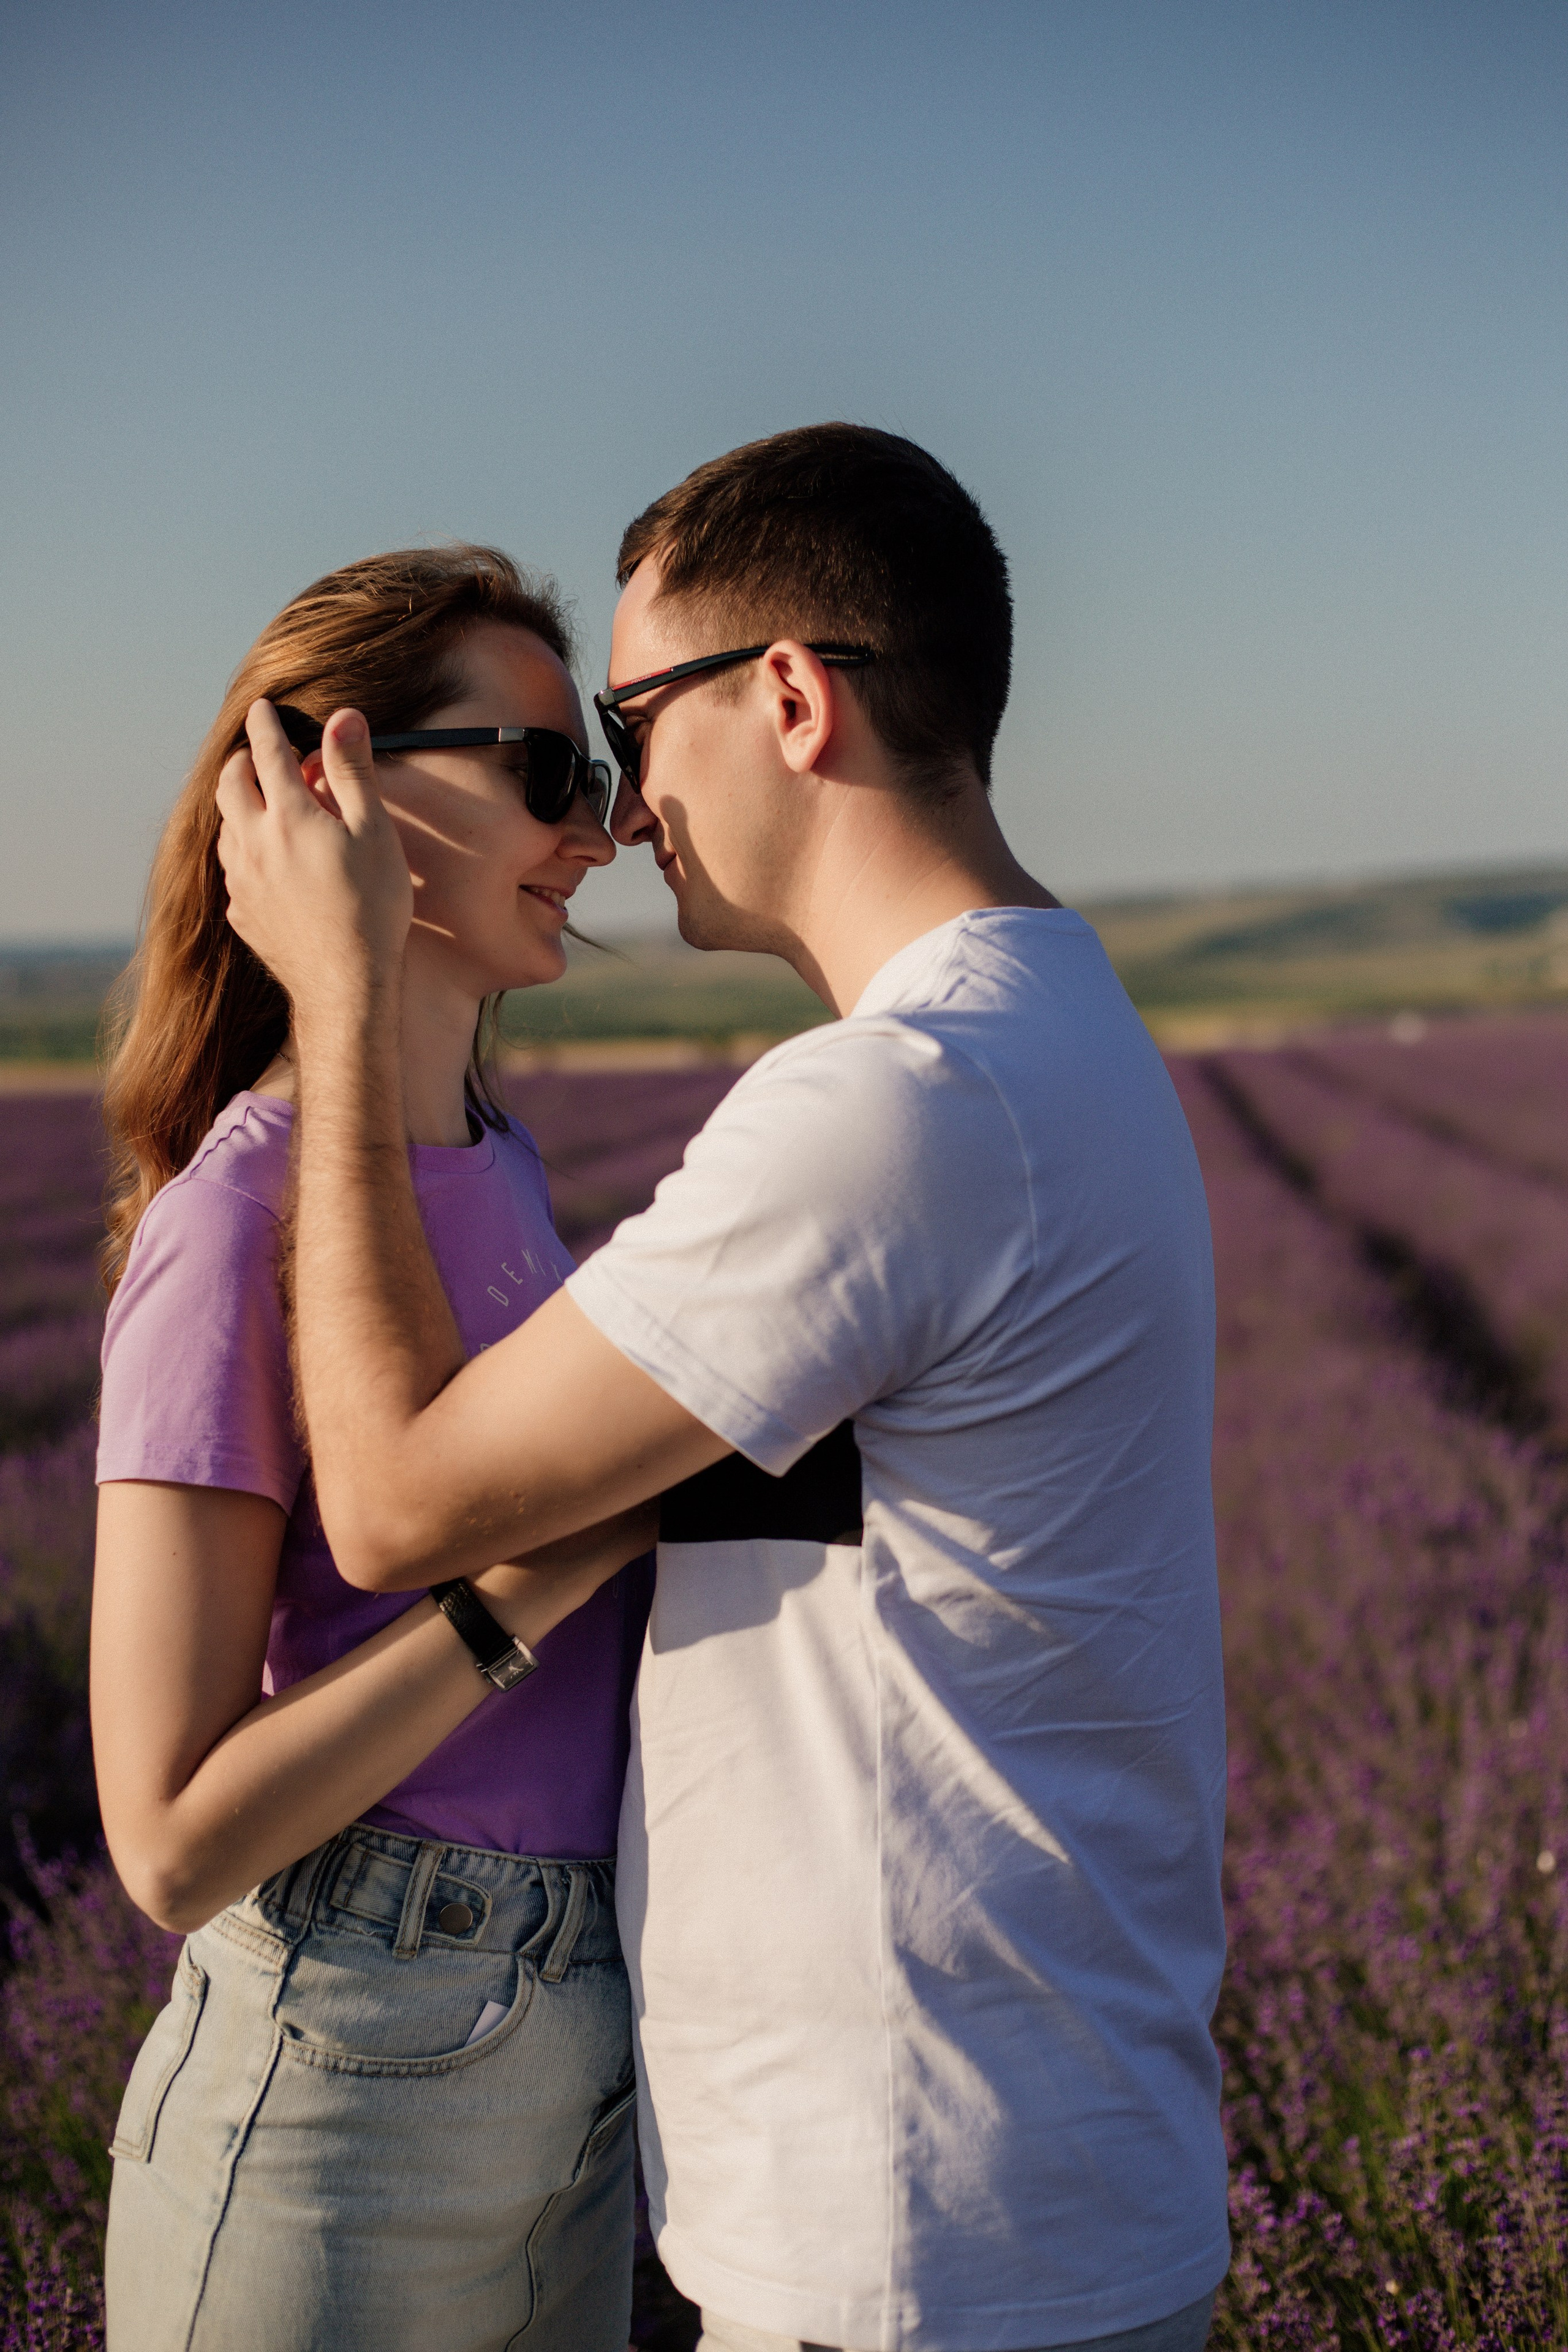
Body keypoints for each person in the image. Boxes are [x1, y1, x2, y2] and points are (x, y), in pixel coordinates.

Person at [216, 425, 1231, 2352]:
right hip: (1017, 2194)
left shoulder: (901, 1105)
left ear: (788, 698)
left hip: (917, 2237)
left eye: (627, 726)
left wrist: (342, 1004)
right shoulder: (1060, 1034)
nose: (617, 810)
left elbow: (400, 1504)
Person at [92, 545, 657, 2352]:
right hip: (343, 2071)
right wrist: (536, 1583)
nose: (600, 832)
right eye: (546, 771)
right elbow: (168, 1840)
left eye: (600, 775)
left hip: (575, 2050)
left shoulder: (502, 1165)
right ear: (340, 785)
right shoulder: (235, 1218)